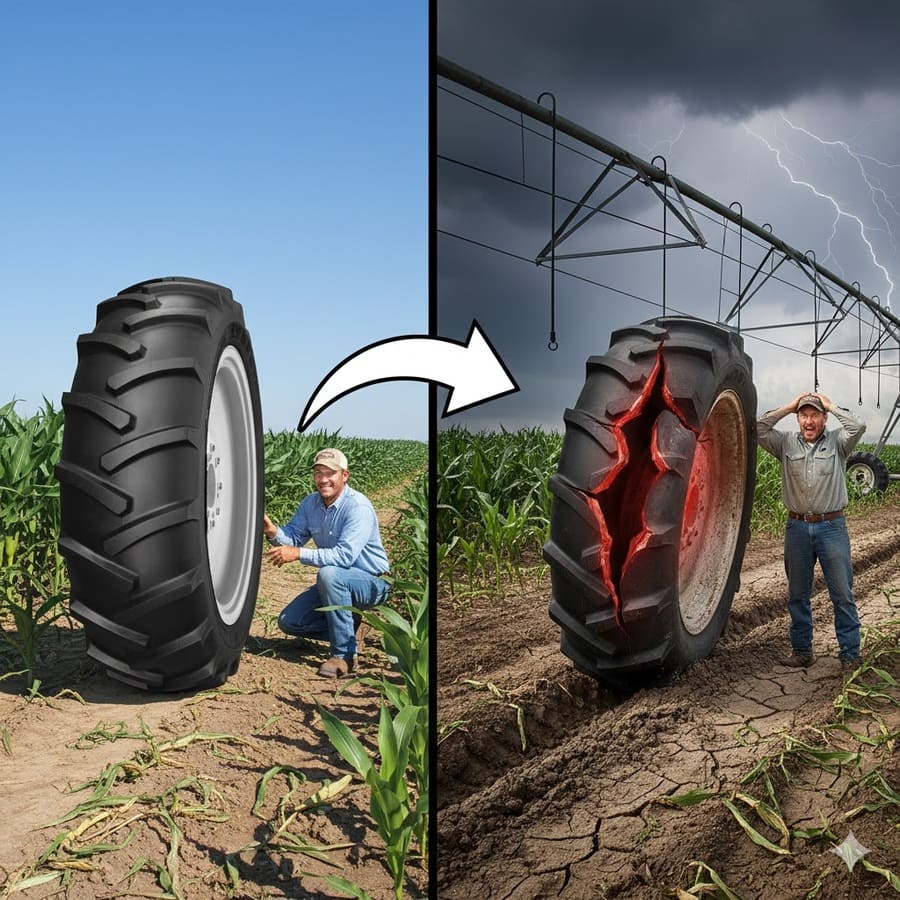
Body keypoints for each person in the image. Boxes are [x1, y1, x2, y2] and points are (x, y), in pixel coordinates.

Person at [757, 392, 865, 675]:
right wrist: (788, 406)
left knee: (842, 594)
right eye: (803, 415)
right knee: (797, 594)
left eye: (814, 414)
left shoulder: (838, 443)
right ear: (798, 418)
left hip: (832, 528)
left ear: (823, 418)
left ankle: (850, 654)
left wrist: (830, 404)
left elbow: (858, 426)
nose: (809, 420)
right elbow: (757, 429)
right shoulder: (785, 443)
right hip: (797, 528)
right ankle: (802, 651)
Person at [263, 447, 390, 678]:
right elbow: (293, 536)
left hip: (371, 583)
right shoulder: (311, 503)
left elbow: (344, 557)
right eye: (318, 473)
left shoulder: (357, 507)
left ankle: (344, 655)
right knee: (289, 621)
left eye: (330, 473)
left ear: (345, 475)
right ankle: (353, 629)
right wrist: (272, 532)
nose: (323, 480)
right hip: (336, 584)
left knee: (329, 573)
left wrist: (299, 554)